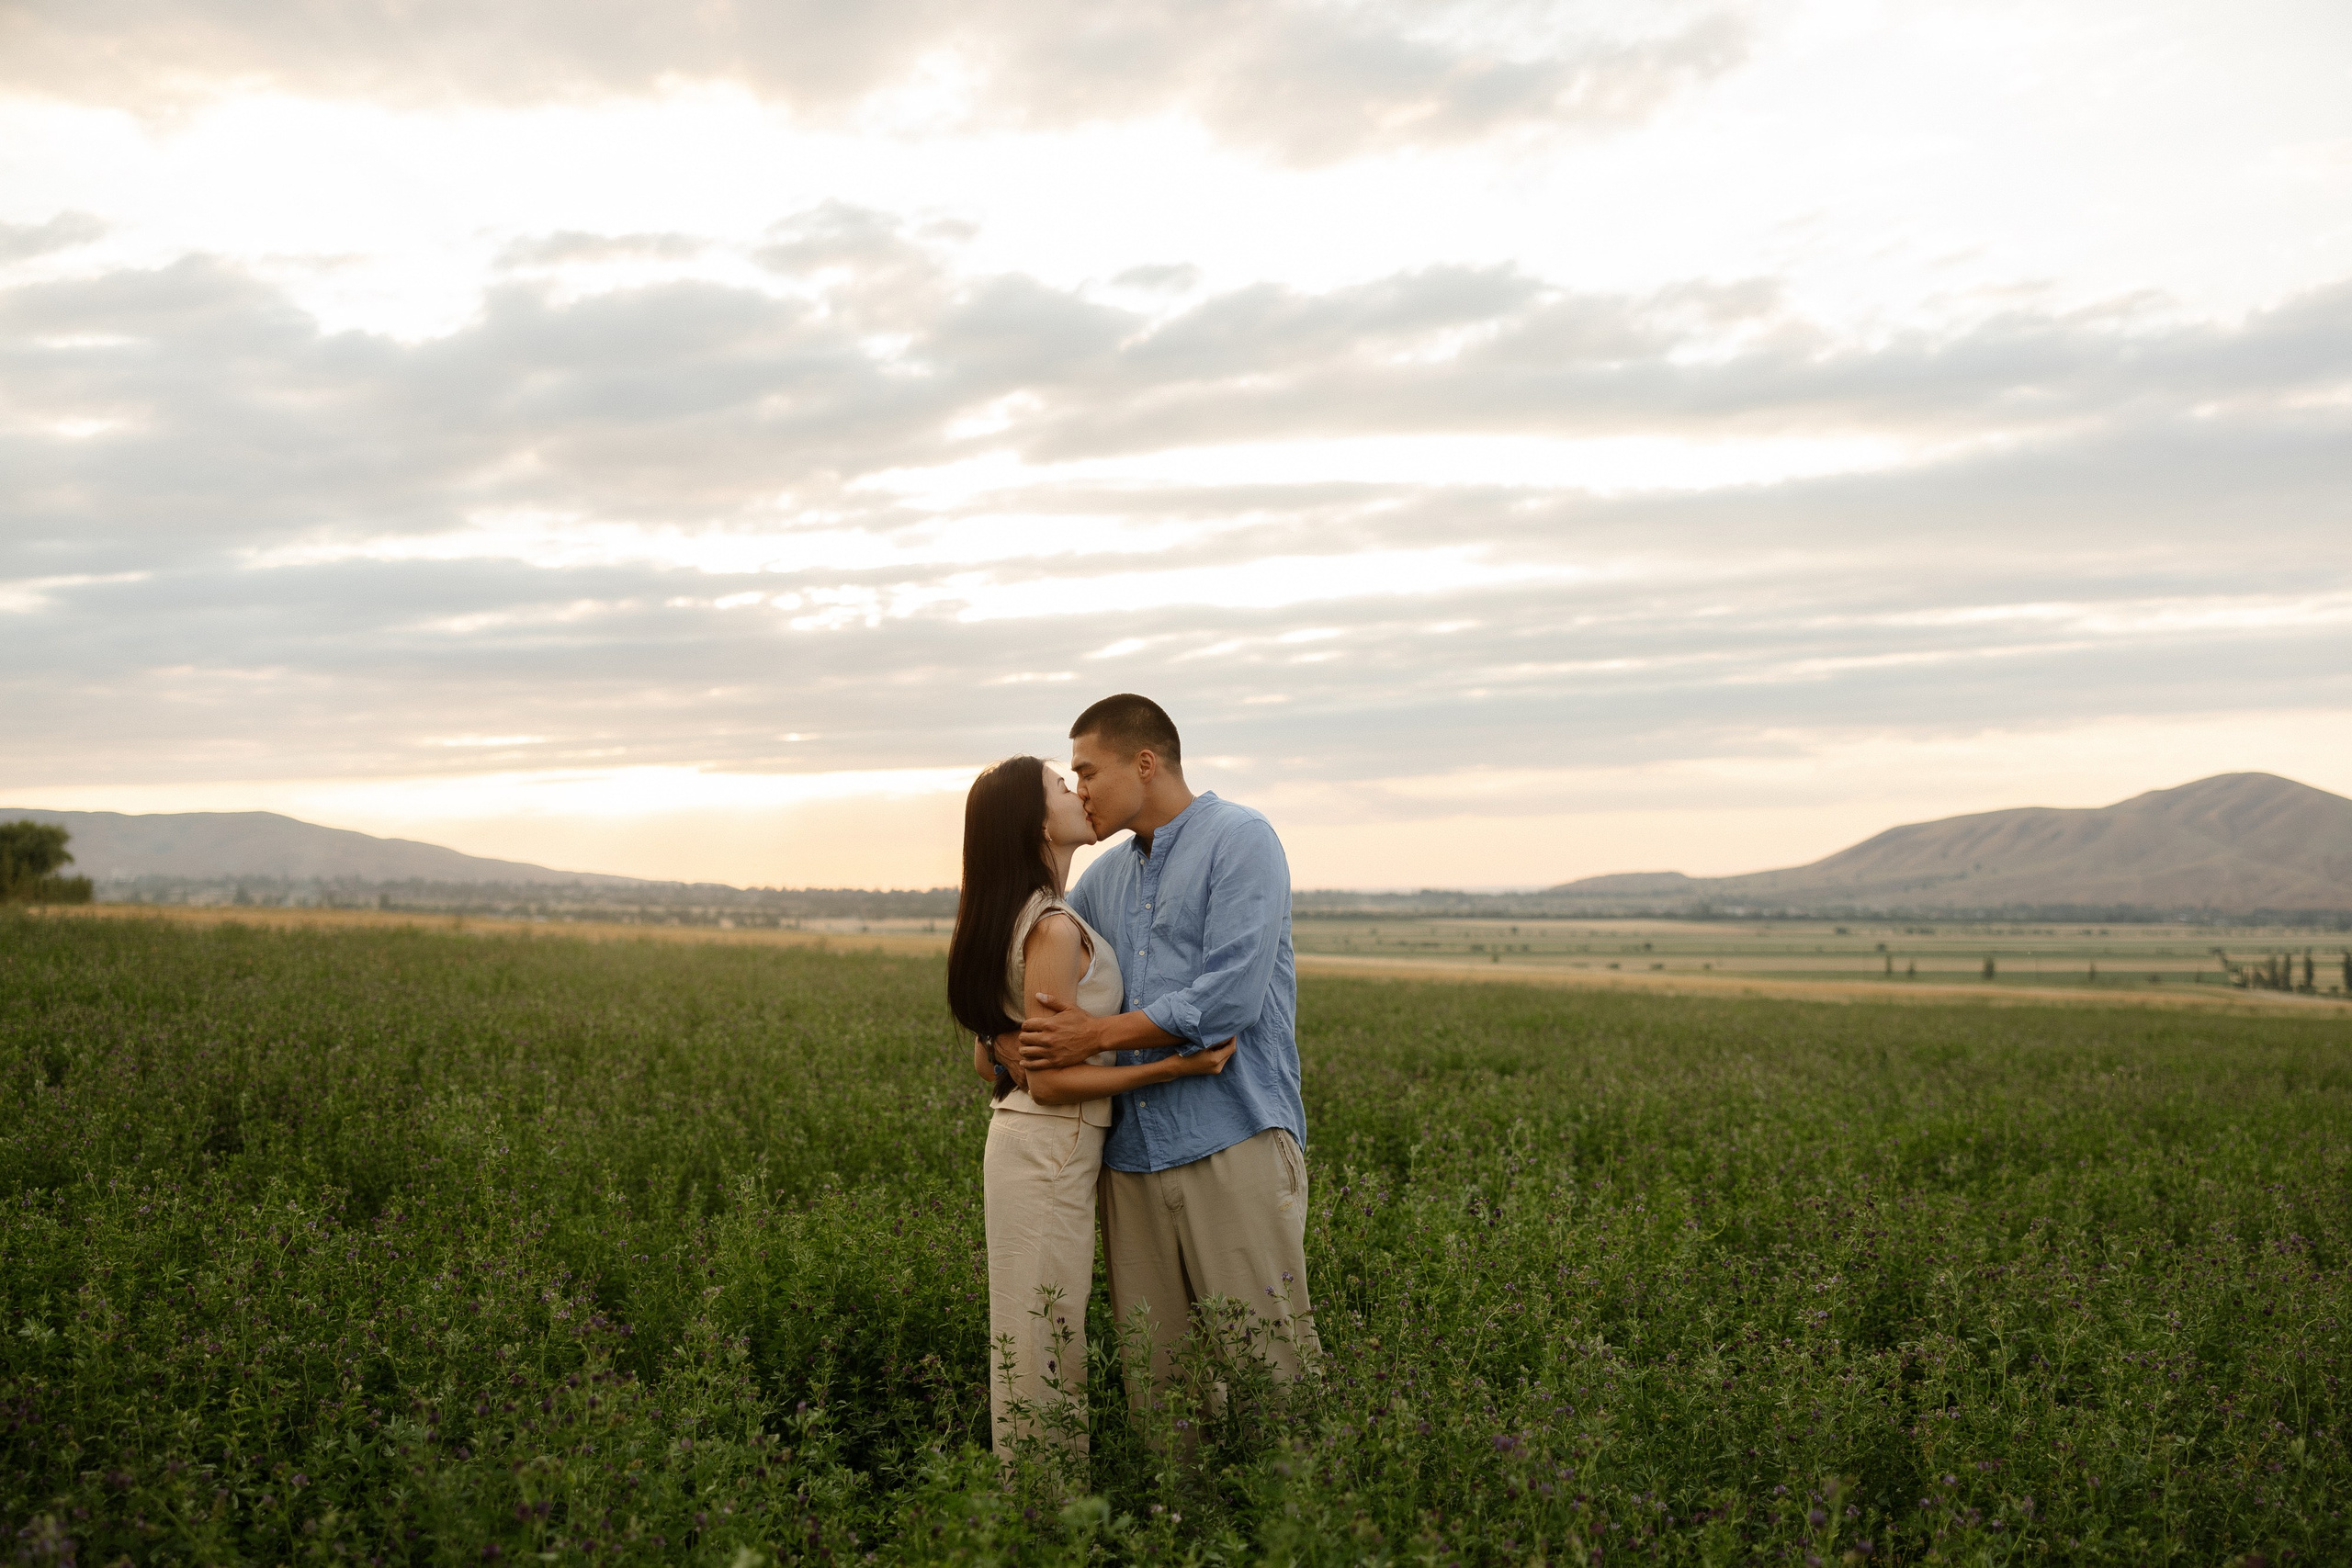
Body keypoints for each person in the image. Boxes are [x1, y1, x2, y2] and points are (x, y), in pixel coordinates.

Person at [1015, 694, 1320, 1397]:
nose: (1080, 789)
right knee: (1162, 1400)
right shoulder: (1101, 881)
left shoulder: (1242, 838)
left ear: (1144, 762)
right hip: (1129, 1163)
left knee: (1276, 1383)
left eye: (1087, 770)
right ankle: (1180, 1514)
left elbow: (1226, 1001)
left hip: (1234, 1139)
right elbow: (1055, 995)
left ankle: (1305, 1511)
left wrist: (1093, 1035)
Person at [946, 755, 1236, 1463]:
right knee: (1044, 1341)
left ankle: (1038, 1504)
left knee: (1034, 1331)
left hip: (1039, 1148)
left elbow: (992, 1057)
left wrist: (1012, 1046)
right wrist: (1174, 1064)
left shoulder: (1031, 914)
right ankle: (1044, 1513)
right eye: (1058, 784)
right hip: (1048, 1149)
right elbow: (1048, 1080)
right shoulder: (1050, 927)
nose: (1076, 790)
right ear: (1036, 821)